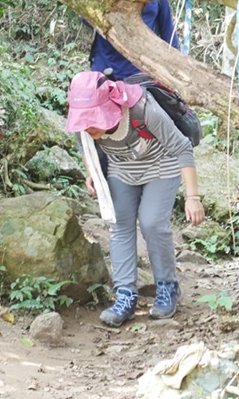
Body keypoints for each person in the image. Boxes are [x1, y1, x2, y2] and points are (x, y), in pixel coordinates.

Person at [65, 70, 205, 327]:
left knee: (152, 223)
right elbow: (83, 147)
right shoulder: (82, 120)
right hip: (122, 169)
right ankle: (125, 295)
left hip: (162, 165)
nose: (88, 126)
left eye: (93, 119)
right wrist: (92, 173)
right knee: (119, 226)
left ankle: (168, 287)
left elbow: (182, 147)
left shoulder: (142, 108)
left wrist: (192, 197)